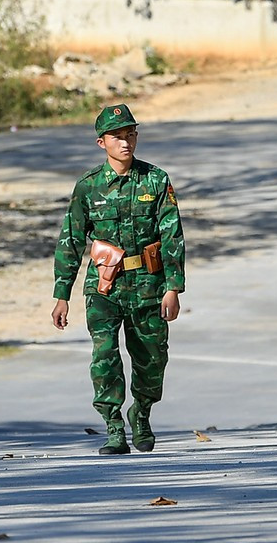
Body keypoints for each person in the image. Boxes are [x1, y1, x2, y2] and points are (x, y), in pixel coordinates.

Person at [51, 103, 186, 455]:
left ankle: (140, 414)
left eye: (130, 135)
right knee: (105, 356)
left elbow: (172, 235)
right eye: (117, 137)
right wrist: (61, 294)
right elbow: (71, 240)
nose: (125, 143)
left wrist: (173, 287)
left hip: (148, 285)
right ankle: (113, 426)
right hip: (104, 287)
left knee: (152, 358)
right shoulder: (88, 187)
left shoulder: (156, 180)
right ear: (102, 143)